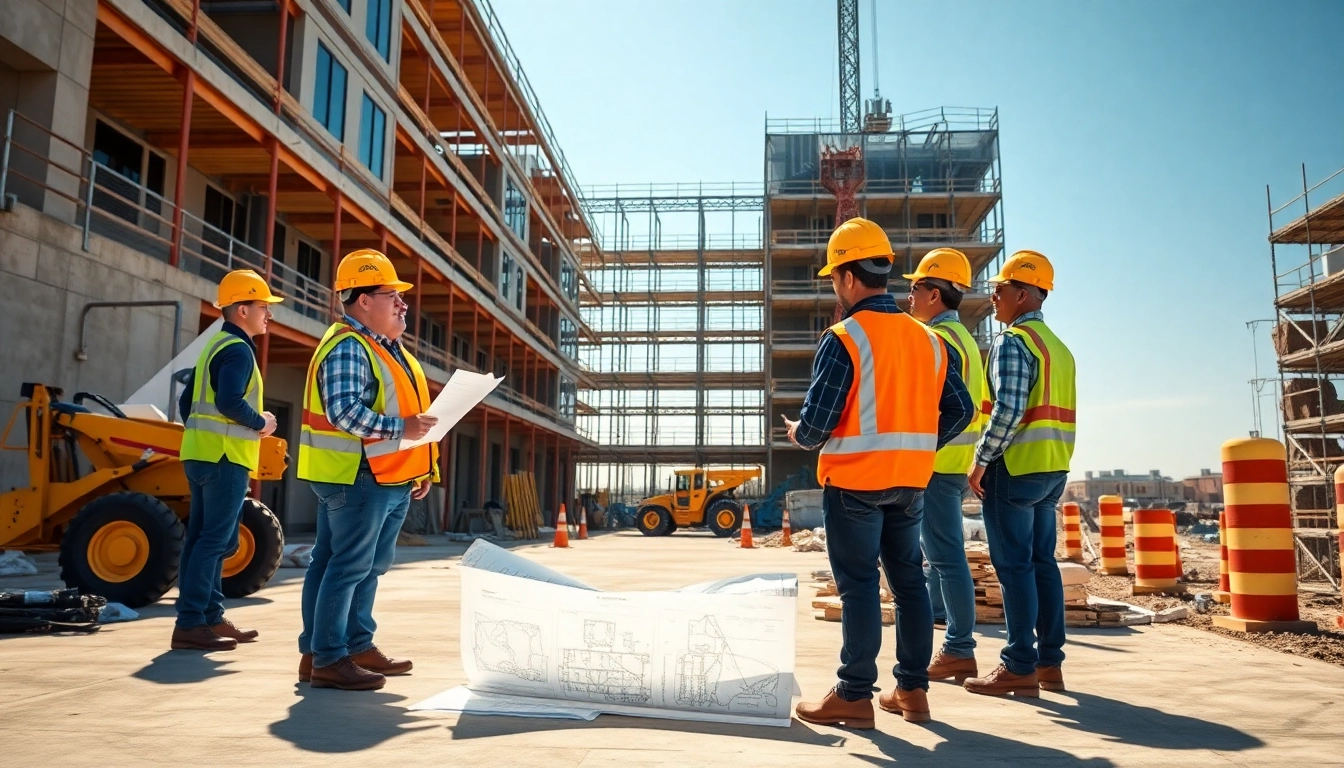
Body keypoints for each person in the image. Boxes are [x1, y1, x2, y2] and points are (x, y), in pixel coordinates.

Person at [786, 218, 973, 728]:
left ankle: (854, 695)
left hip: (855, 483)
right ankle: (912, 691)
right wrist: (918, 444)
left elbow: (818, 422)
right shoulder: (930, 341)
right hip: (910, 483)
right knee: (910, 583)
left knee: (861, 586)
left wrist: (797, 434)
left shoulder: (845, 336)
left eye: (833, 278)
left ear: (847, 276)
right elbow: (961, 409)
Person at [296, 249, 440, 691]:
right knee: (348, 566)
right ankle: (329, 658)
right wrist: (404, 429)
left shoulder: (386, 349)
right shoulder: (349, 346)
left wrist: (423, 468)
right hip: (358, 477)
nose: (402, 303)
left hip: (388, 476)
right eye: (391, 295)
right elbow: (344, 413)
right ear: (362, 301)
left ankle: (348, 646)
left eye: (401, 296)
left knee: (358, 565)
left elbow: (410, 414)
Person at [964, 250, 1076, 698]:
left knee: (1013, 568)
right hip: (1053, 469)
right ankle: (1049, 663)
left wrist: (982, 460)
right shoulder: (1059, 348)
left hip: (1014, 469)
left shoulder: (1014, 342)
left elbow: (1008, 410)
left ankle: (1018, 665)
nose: (993, 297)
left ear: (1024, 294)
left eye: (1001, 289)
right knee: (1042, 564)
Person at [173, 269, 281, 651]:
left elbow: (187, 404)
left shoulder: (215, 346)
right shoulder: (238, 350)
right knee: (215, 541)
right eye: (263, 306)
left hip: (202, 455)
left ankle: (208, 618)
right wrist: (261, 423)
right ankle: (191, 623)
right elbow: (229, 402)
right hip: (225, 459)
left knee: (203, 540)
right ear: (241, 310)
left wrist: (206, 436)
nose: (269, 314)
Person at [903, 248, 991, 682]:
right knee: (938, 556)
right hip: (954, 461)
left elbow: (935, 405)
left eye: (915, 287)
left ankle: (959, 647)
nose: (909, 296)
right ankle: (950, 635)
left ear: (935, 294)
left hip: (937, 462)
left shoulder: (937, 340)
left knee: (945, 556)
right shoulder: (968, 341)